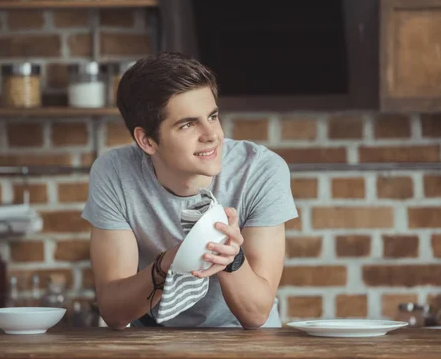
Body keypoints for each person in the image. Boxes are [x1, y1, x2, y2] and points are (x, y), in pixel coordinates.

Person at [81, 52, 298, 329]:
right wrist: (169, 263)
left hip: (244, 340)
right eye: (187, 124)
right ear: (147, 140)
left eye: (213, 116)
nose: (212, 135)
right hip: (152, 340)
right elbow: (114, 312)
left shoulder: (260, 171)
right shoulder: (114, 173)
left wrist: (231, 259)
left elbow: (256, 315)